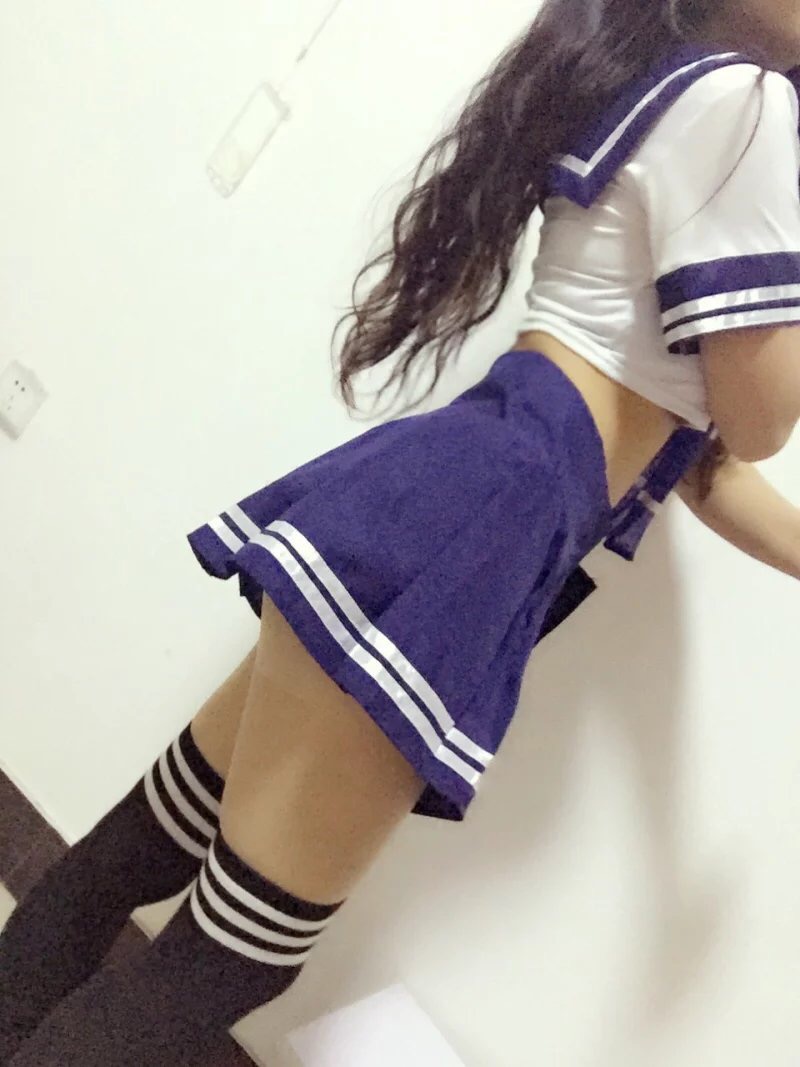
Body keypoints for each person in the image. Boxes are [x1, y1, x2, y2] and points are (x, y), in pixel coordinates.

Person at [2, 1, 800, 1062]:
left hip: (468, 493)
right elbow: (761, 418)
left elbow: (707, 465)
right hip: (487, 517)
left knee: (147, 845)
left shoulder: (688, 89)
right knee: (233, 955)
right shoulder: (746, 109)